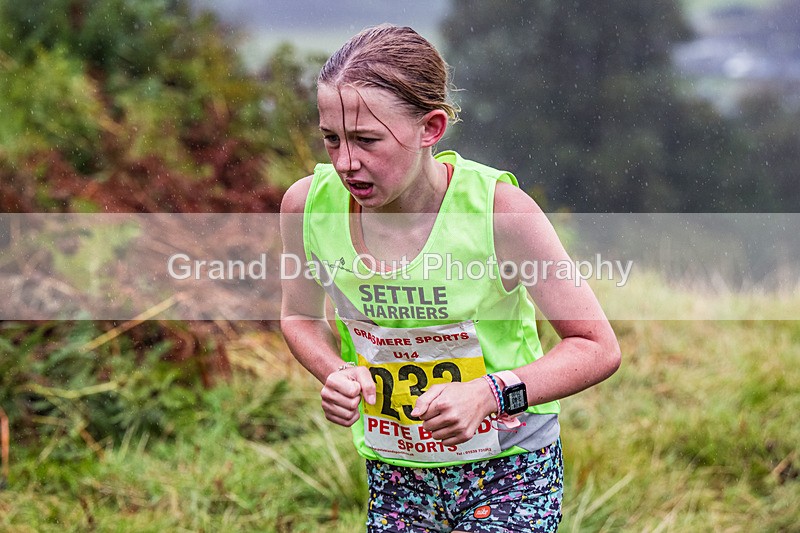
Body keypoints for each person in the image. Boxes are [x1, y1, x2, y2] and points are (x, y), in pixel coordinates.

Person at [280, 24, 620, 533]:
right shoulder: (306, 206)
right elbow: (299, 317)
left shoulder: (499, 212)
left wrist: (489, 392)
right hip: (394, 470)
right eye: (332, 138)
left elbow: (596, 345)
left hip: (510, 466)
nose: (346, 162)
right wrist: (334, 370)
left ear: (430, 128)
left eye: (368, 140)